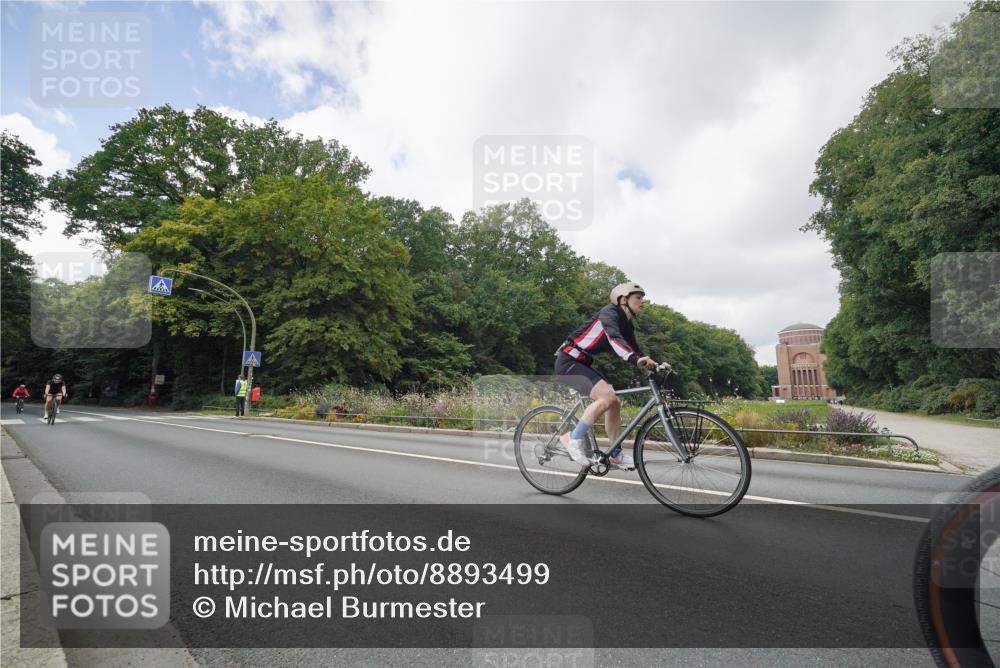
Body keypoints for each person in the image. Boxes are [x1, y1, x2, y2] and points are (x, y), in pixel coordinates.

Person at [554, 282, 657, 470]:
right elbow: (614, 339)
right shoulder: (609, 314)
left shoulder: (626, 324)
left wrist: (654, 364)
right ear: (624, 299)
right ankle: (573, 438)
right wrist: (635, 360)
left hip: (582, 363)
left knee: (614, 401)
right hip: (568, 362)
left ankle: (615, 454)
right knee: (606, 396)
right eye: (638, 297)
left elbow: (635, 349)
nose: (643, 301)